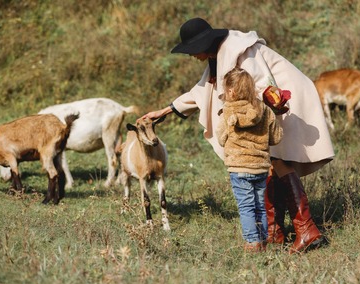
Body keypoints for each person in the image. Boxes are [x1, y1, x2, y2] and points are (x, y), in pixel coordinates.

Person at [142, 17, 335, 254]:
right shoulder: (219, 56)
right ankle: (275, 233)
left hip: (286, 99)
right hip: (269, 105)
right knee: (272, 162)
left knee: (279, 160)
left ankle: (306, 230)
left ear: (204, 44)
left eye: (193, 50)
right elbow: (202, 91)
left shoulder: (239, 50)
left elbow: (265, 85)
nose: (192, 56)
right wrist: (167, 110)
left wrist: (265, 113)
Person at [216, 67, 283, 252]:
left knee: (246, 207)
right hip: (260, 167)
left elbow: (221, 139)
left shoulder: (228, 111)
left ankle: (252, 243)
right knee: (260, 206)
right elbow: (276, 138)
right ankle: (262, 241)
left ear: (231, 91)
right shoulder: (265, 110)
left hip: (239, 168)